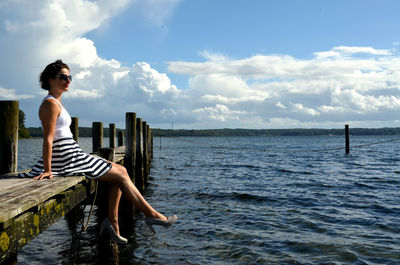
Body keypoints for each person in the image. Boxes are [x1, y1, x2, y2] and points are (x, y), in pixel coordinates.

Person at [20, 59, 177, 244]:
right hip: (64, 156)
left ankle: (114, 222)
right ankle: (151, 214)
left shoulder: (57, 103)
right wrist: (47, 170)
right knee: (121, 174)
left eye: (70, 77)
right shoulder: (50, 104)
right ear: (50, 80)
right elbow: (48, 138)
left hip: (71, 152)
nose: (68, 80)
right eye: (63, 77)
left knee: (120, 171)